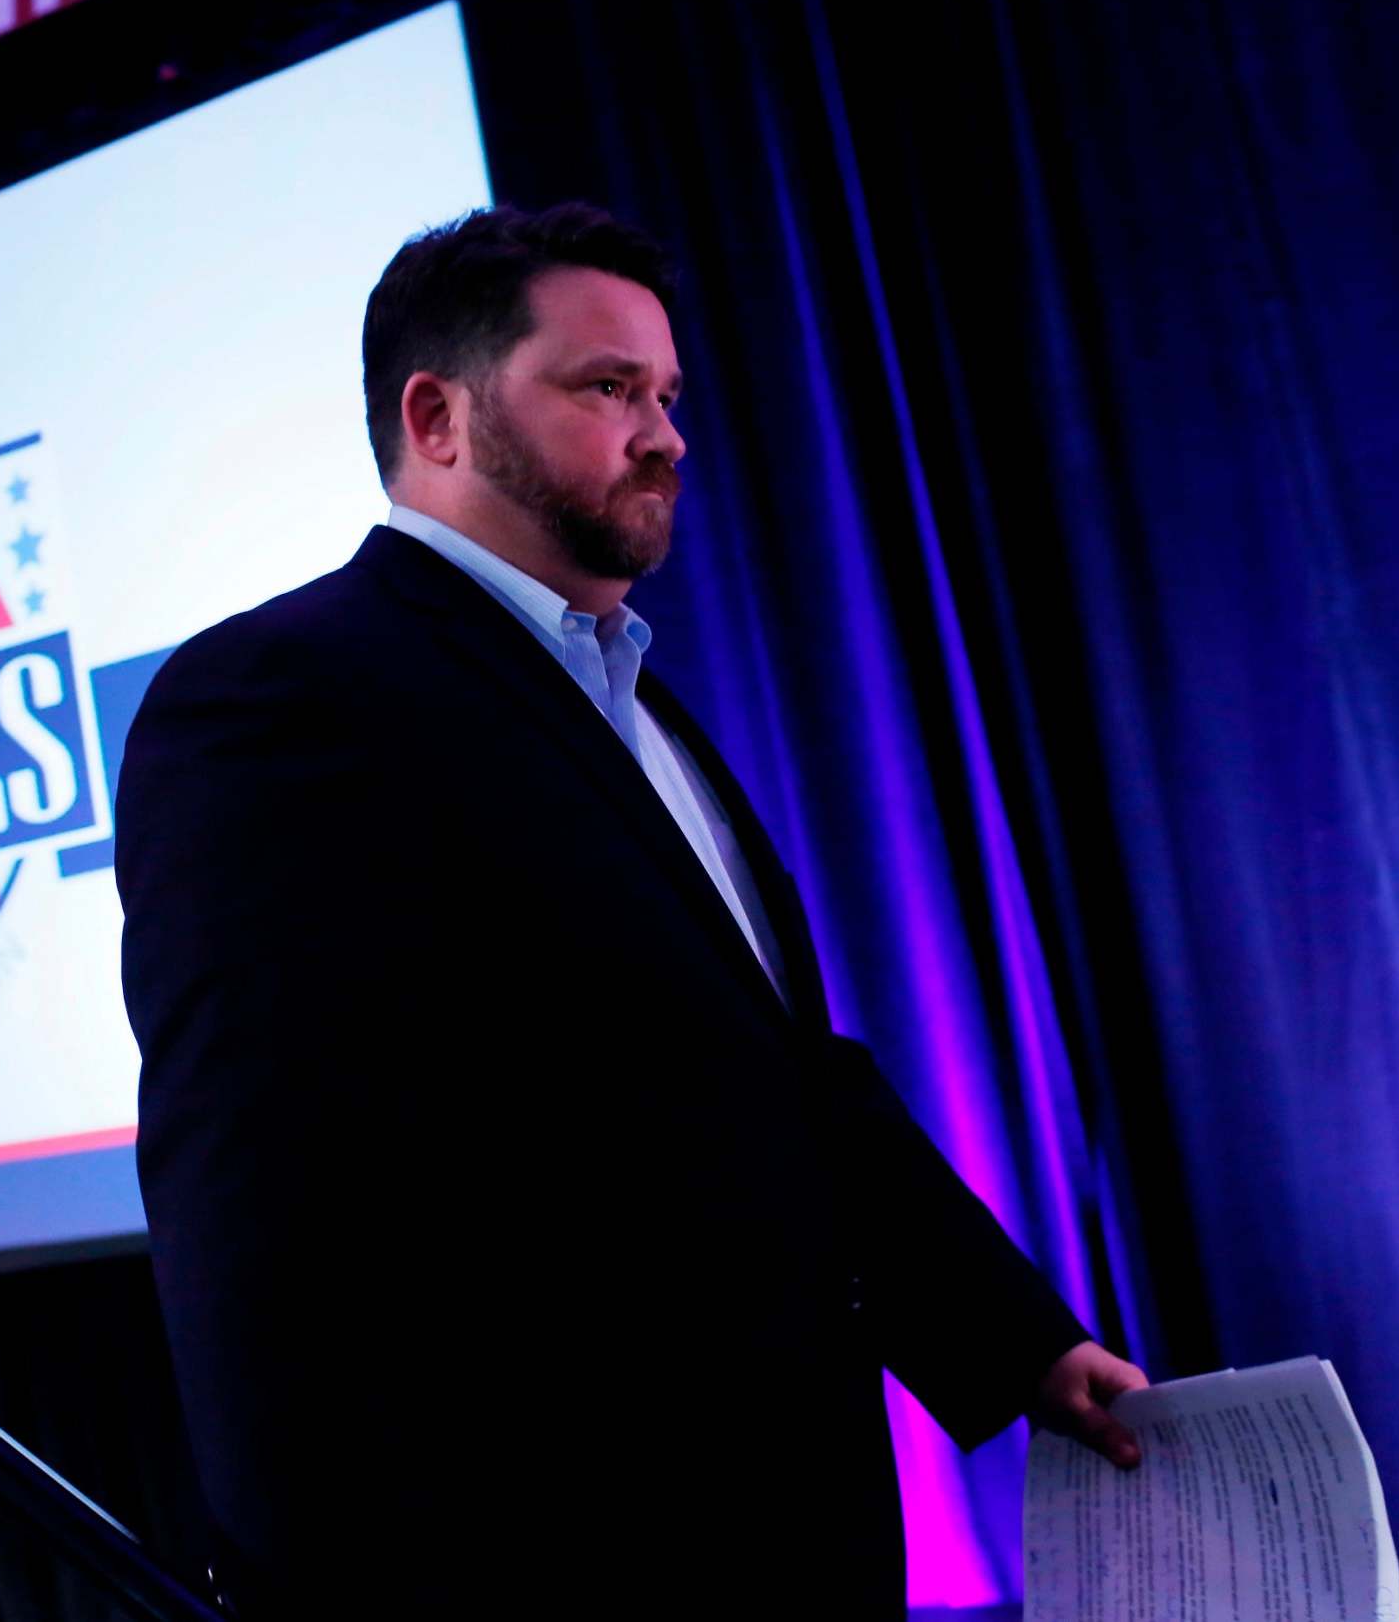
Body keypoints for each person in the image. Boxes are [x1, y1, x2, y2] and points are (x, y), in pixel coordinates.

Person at [115, 203, 1146, 1620]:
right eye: (606, 389)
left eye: (666, 396)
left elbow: (785, 1086)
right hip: (541, 1560)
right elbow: (256, 1194)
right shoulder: (283, 697)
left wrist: (1017, 1346)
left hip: (785, 1540)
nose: (662, 434)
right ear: (436, 415)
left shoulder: (638, 710)